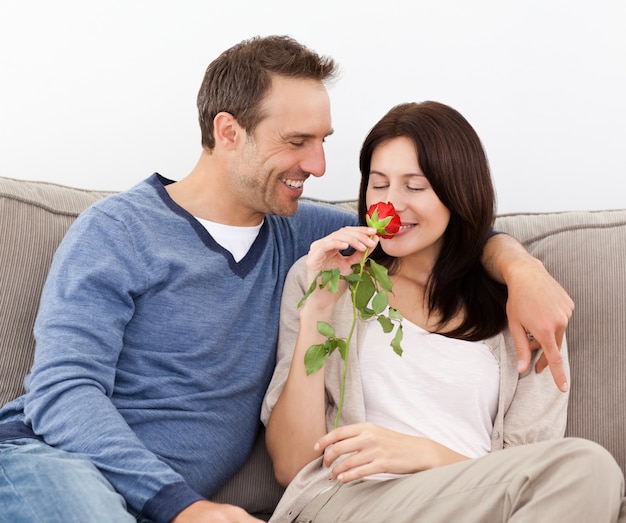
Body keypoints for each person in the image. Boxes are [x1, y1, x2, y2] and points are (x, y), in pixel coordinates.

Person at [0, 36, 573, 523]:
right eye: (298, 142)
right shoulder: (118, 231)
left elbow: (436, 226)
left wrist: (521, 269)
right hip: (49, 465)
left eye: (324, 140)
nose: (320, 166)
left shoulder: (304, 236)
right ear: (229, 132)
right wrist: (185, 507)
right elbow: (62, 391)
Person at [262, 101, 626, 522]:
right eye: (378, 185)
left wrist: (423, 454)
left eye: (414, 187)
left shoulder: (521, 310)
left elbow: (531, 472)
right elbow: (292, 466)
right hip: (353, 502)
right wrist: (317, 315)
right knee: (586, 466)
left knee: (583, 473)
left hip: (474, 506)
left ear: (458, 193)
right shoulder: (322, 278)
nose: (390, 204)